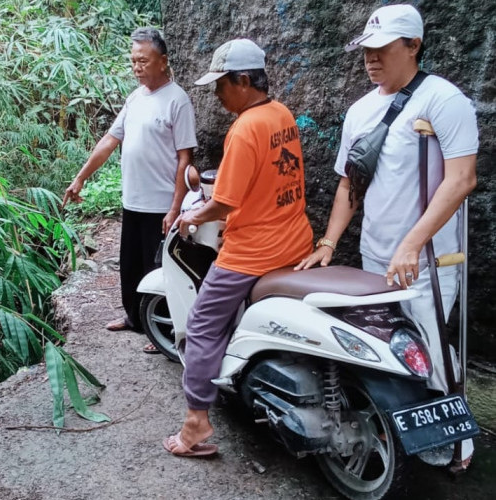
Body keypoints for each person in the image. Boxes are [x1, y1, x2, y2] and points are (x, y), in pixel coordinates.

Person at [295, 4, 478, 471]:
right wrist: (329, 243)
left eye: (381, 50)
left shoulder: (443, 100)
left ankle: (457, 442)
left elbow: (461, 180)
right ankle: (401, 428)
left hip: (428, 260)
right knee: (386, 345)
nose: (370, 60)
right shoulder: (361, 109)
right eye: (365, 51)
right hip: (375, 255)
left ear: (413, 45)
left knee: (429, 343)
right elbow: (348, 184)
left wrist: (413, 243)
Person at [162, 39, 313, 457]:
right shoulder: (281, 115)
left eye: (221, 84)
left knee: (203, 324)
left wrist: (192, 216)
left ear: (244, 80)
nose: (217, 93)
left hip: (254, 251)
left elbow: (225, 202)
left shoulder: (244, 128)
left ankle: (196, 423)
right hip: (295, 240)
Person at [62, 27, 197, 354]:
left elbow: (185, 160)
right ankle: (136, 318)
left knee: (162, 269)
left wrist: (175, 208)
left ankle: (162, 326)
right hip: (133, 200)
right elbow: (110, 141)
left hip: (162, 202)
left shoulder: (177, 100)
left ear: (163, 61)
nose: (137, 67)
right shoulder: (135, 98)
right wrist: (80, 178)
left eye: (144, 60)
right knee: (132, 265)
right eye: (133, 60)